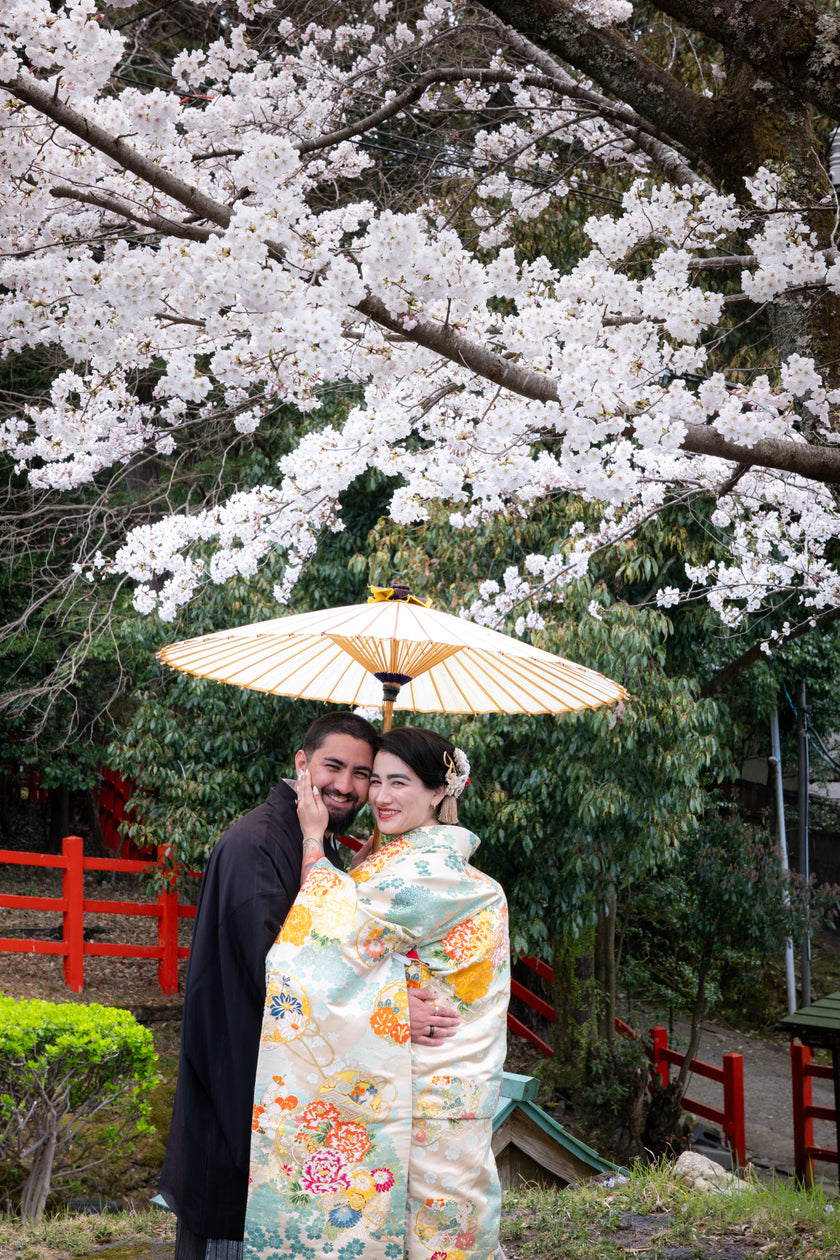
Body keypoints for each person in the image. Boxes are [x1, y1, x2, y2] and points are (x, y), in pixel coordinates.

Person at [160, 713, 458, 1260]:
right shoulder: (258, 845)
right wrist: (389, 1011)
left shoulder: (310, 842)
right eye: (333, 766)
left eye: (362, 774)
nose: (346, 786)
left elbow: (335, 949)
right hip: (240, 1101)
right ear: (302, 764)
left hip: (275, 1095)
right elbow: (285, 974)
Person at [245, 726, 510, 1260]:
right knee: (436, 1228)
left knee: (433, 1234)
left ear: (439, 792)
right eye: (377, 781)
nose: (381, 797)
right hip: (432, 1082)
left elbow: (324, 939)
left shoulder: (426, 869)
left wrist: (315, 837)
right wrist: (369, 861)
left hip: (430, 1086)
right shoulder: (414, 860)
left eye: (400, 783)